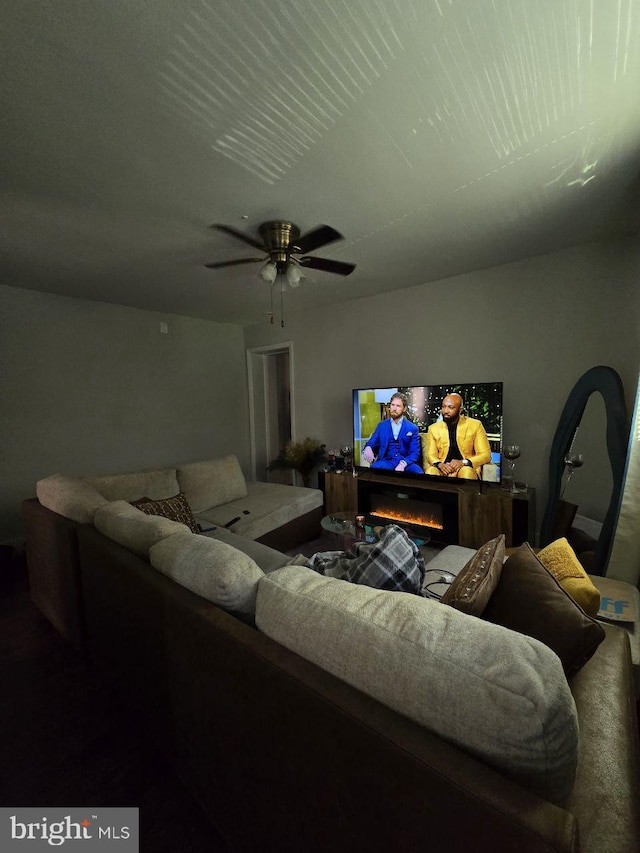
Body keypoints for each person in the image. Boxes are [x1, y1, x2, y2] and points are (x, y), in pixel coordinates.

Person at [425, 393, 491, 479]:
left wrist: (463, 462)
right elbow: (431, 455)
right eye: (443, 406)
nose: (445, 411)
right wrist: (440, 464)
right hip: (443, 468)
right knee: (430, 471)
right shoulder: (433, 428)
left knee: (466, 472)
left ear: (460, 410)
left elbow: (486, 455)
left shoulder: (475, 425)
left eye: (451, 407)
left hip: (465, 467)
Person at [362, 393, 424, 473]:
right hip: (387, 462)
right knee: (374, 468)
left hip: (406, 463)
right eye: (392, 405)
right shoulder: (382, 425)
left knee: (418, 472)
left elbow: (415, 453)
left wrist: (403, 464)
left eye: (398, 406)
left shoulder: (412, 428)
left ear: (404, 409)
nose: (394, 408)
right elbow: (372, 442)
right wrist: (368, 448)